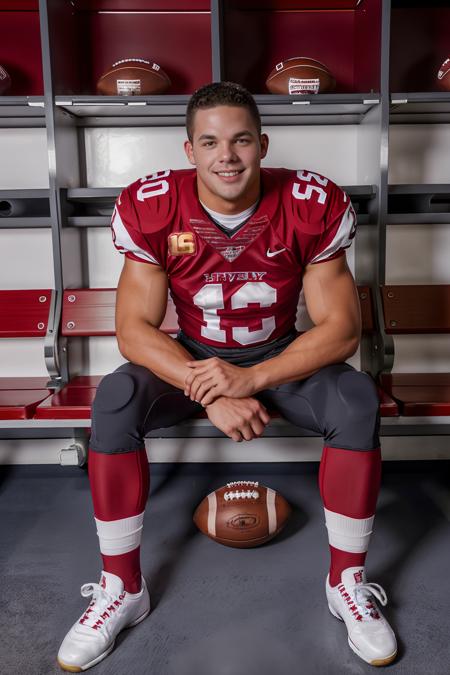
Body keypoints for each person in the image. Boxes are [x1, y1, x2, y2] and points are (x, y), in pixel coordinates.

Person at [57, 82, 397, 671]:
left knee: (354, 398)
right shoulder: (154, 204)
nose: (227, 156)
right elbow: (135, 331)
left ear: (262, 144)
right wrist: (210, 387)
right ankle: (122, 587)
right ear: (189, 150)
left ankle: (347, 583)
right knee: (115, 398)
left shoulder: (309, 202)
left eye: (241, 140)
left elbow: (341, 330)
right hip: (189, 356)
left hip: (278, 355)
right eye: (210, 142)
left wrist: (252, 379)